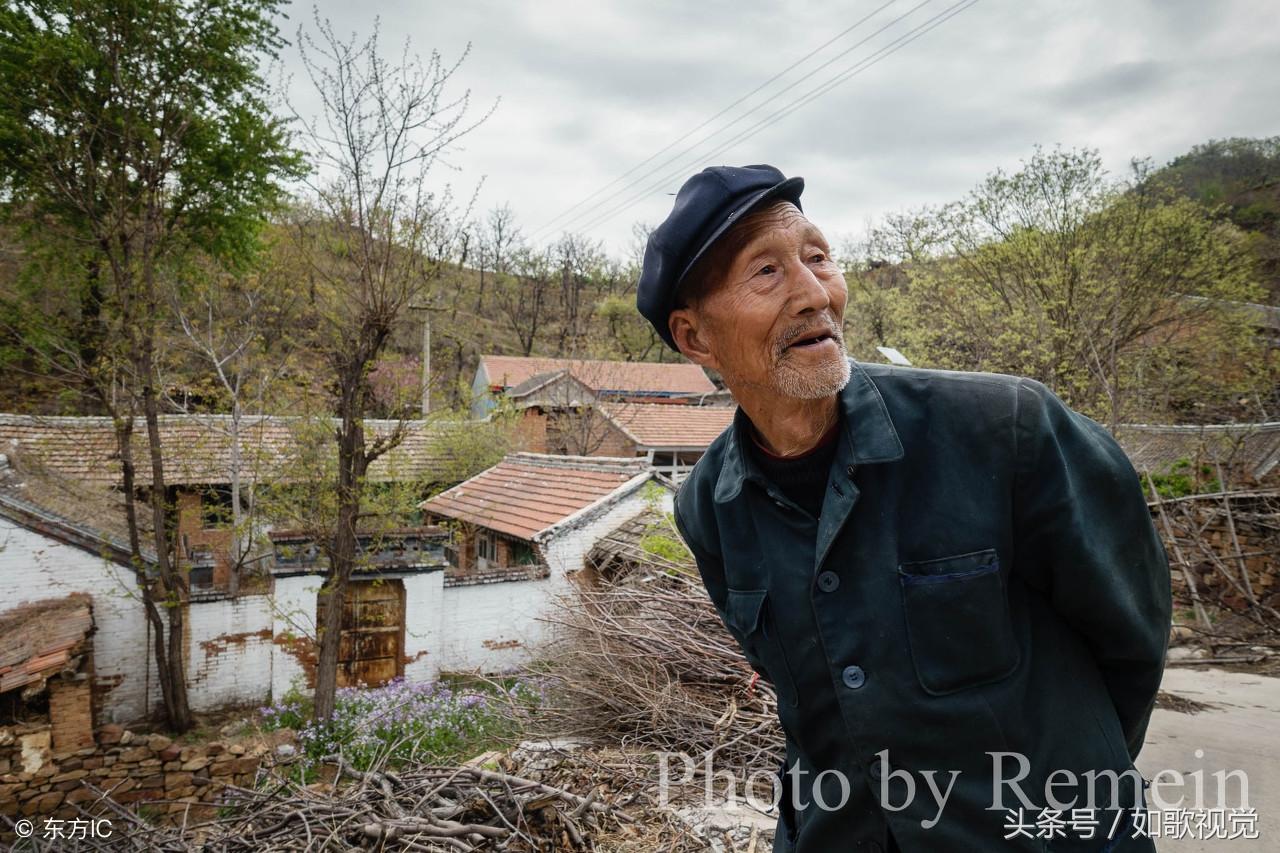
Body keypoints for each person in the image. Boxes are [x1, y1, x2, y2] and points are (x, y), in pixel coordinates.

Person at [636, 164, 1172, 852]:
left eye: (818, 257)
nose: (813, 293)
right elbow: (809, 708)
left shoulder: (1007, 428)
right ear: (696, 337)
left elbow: (1133, 642)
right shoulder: (711, 506)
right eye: (766, 272)